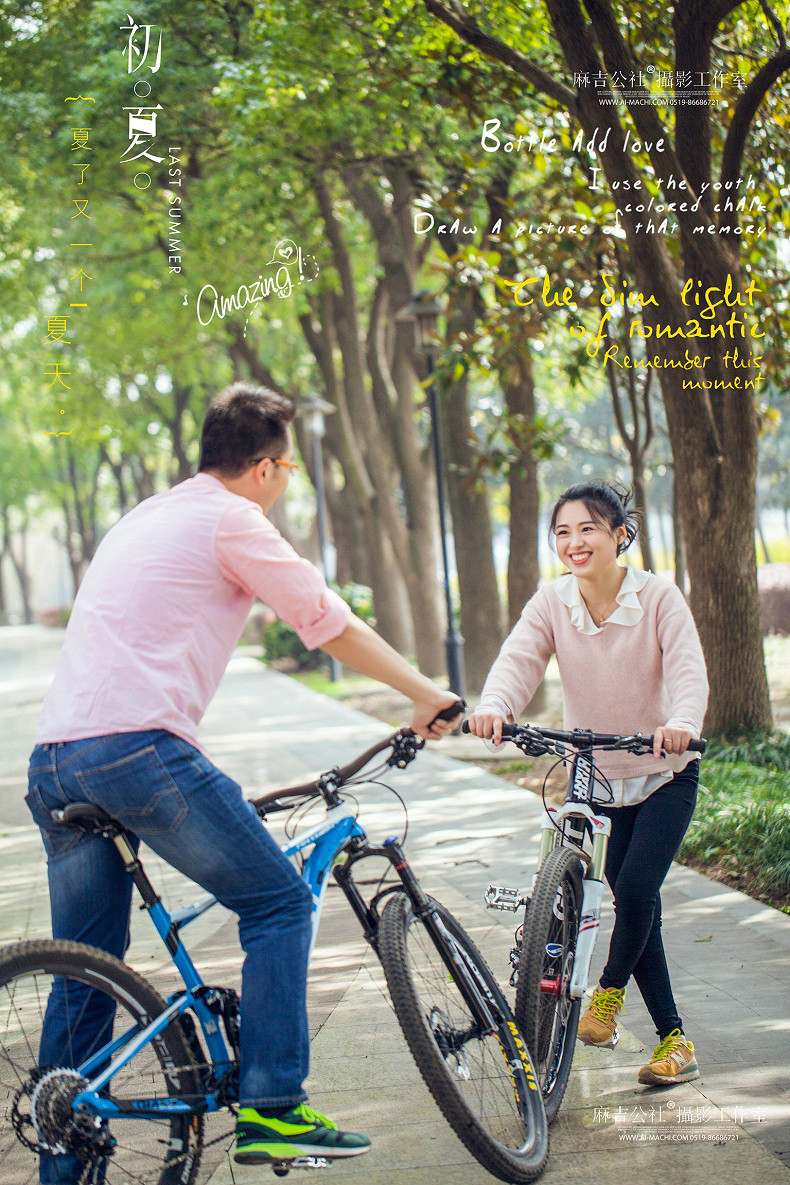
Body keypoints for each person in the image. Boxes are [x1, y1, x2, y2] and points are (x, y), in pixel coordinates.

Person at [27, 381, 462, 1177]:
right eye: (288, 467)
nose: (287, 480)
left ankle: (61, 1144)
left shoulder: (147, 514)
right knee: (278, 900)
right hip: (137, 753)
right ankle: (274, 1106)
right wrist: (424, 693)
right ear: (265, 467)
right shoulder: (234, 517)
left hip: (53, 762)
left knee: (84, 968)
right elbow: (324, 619)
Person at [467, 480, 708, 1087]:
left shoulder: (658, 598)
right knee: (633, 900)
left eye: (589, 529)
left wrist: (681, 723)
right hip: (595, 774)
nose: (574, 542)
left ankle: (606, 996)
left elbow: (687, 671)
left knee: (633, 887)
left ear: (620, 534)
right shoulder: (552, 602)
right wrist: (495, 704)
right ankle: (675, 1041)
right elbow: (519, 659)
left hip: (663, 773)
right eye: (564, 532)